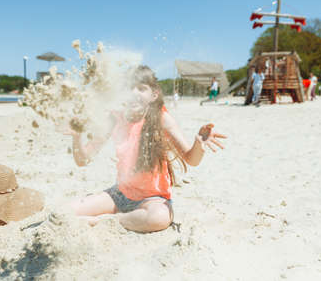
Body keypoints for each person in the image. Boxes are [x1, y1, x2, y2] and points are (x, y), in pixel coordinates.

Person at [65, 66, 226, 233]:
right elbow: (83, 160)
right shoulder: (114, 118)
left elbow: (191, 159)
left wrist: (198, 144)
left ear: (153, 95)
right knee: (67, 211)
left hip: (152, 199)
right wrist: (76, 138)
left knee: (159, 218)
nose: (134, 93)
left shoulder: (162, 118)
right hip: (119, 194)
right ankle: (115, 217)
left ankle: (106, 221)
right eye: (129, 88)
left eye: (141, 89)